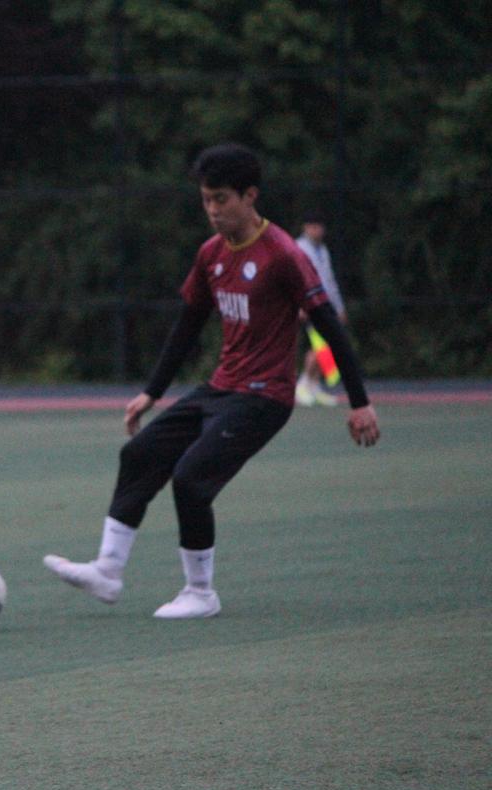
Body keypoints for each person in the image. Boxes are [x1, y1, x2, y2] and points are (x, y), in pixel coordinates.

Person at [44, 143, 379, 619]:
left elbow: (328, 325)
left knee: (191, 478)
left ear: (250, 196)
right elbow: (188, 324)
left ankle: (200, 593)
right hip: (222, 388)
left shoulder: (283, 254)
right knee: (139, 453)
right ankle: (108, 570)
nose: (213, 210)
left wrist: (359, 402)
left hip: (265, 396)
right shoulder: (211, 254)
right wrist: (152, 392)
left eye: (222, 199)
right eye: (206, 200)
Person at [294, 212, 346, 407]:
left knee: (325, 345)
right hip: (309, 304)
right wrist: (299, 304)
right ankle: (303, 384)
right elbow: (295, 279)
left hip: (325, 304)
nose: (317, 230)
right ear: (306, 228)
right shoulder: (299, 248)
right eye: (313, 226)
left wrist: (339, 307)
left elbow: (329, 281)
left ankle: (314, 385)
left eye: (319, 226)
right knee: (320, 345)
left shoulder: (322, 250)